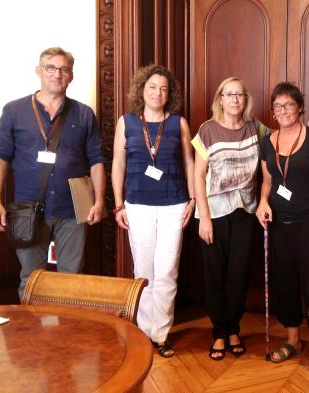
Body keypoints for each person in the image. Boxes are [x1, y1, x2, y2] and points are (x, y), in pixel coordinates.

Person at [0, 47, 106, 298]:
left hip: (75, 208)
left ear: (71, 76)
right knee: (31, 280)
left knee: (71, 280)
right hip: (28, 208)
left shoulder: (84, 114)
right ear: (39, 71)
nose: (57, 74)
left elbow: (97, 160)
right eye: (50, 67)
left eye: (64, 69)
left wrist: (97, 201)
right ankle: (30, 337)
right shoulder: (14, 110)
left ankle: (64, 336)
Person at [111, 64, 195, 357]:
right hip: (137, 204)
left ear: (169, 94)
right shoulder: (126, 123)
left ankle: (160, 335)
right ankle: (143, 333)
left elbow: (189, 163)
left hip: (174, 204)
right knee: (143, 272)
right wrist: (118, 203)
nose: (158, 93)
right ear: (141, 91)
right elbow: (118, 165)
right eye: (152, 87)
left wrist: (193, 199)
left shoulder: (178, 124)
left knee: (167, 271)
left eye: (163, 88)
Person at [256, 82, 309, 372]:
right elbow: (267, 182)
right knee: (284, 282)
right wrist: (263, 203)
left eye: (288, 104)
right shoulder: (268, 142)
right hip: (279, 224)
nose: (283, 110)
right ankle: (293, 341)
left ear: (300, 107)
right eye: (277, 106)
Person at [192, 76, 267, 360]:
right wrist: (205, 218)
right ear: (220, 99)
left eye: (240, 94)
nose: (235, 99)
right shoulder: (207, 131)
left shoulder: (256, 128)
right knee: (215, 276)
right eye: (229, 94)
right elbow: (198, 176)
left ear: (245, 99)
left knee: (238, 274)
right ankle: (219, 332)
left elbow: (278, 146)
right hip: (213, 213)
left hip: (244, 212)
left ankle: (234, 327)